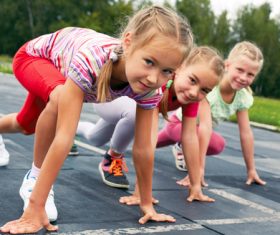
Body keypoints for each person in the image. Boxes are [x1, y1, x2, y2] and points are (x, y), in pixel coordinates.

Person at [0, 5, 194, 234]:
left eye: (167, 71)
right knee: (60, 98)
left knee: (25, 125)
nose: (154, 78)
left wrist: (145, 201)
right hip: (35, 58)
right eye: (149, 62)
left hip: (60, 72)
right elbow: (64, 136)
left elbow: (143, 149)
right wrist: (35, 206)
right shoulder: (93, 60)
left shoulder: (151, 89)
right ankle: (34, 180)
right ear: (128, 42)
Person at [76, 46, 225, 204]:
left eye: (205, 90)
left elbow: (189, 137)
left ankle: (75, 129)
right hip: (108, 100)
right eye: (193, 80)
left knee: (95, 138)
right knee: (135, 116)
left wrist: (195, 186)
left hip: (125, 110)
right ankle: (112, 158)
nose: (195, 92)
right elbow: (148, 142)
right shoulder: (159, 84)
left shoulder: (191, 97)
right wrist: (140, 193)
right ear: (179, 68)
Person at [170, 41, 266, 187]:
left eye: (250, 74)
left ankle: (180, 146)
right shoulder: (210, 88)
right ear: (227, 65)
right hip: (179, 125)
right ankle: (180, 145)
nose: (243, 77)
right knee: (149, 143)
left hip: (193, 133)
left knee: (217, 144)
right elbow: (205, 127)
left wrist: (251, 170)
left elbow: (246, 133)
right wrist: (198, 169)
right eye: (240, 70)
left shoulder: (243, 97)